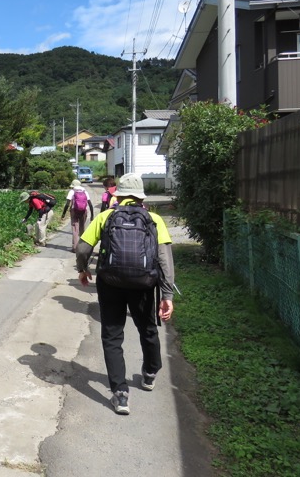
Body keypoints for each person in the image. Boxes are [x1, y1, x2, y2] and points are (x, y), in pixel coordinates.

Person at [74, 173, 175, 416]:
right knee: (148, 328)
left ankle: (120, 394)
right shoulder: (154, 219)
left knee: (112, 335)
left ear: (117, 194)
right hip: (143, 284)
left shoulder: (106, 216)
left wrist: (83, 269)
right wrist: (167, 294)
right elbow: (164, 259)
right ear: (141, 195)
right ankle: (150, 373)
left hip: (110, 282)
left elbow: (82, 248)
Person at [61, 179, 94, 251]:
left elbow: (67, 204)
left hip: (74, 211)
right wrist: (92, 215)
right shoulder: (85, 191)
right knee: (82, 228)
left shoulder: (72, 191)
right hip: (83, 211)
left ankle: (75, 248)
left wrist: (63, 214)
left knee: (75, 229)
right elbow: (90, 204)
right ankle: (82, 246)